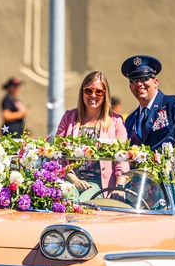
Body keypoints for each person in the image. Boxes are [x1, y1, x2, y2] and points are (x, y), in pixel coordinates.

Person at [55, 71, 129, 199]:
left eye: (98, 92)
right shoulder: (69, 117)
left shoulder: (116, 121)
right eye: (88, 90)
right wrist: (75, 180)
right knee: (66, 198)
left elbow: (122, 157)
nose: (93, 95)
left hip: (99, 184)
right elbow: (57, 156)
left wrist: (120, 187)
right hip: (70, 179)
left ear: (105, 94)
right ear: (82, 92)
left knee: (84, 203)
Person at [121, 55, 175, 155]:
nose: (139, 84)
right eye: (134, 80)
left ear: (156, 82)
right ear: (130, 86)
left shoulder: (174, 105)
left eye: (144, 78)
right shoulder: (131, 119)